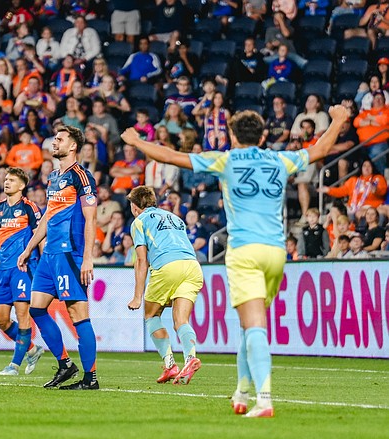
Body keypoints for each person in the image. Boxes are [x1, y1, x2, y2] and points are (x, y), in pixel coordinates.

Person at [121, 104, 350, 417]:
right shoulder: (279, 158)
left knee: (254, 326)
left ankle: (265, 399)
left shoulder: (225, 159)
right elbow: (321, 147)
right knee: (248, 326)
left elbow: (172, 157)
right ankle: (241, 393)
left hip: (245, 251)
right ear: (264, 134)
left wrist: (137, 141)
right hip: (276, 250)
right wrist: (337, 119)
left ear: (231, 134)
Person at [17, 125, 98, 390]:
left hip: (69, 253)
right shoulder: (53, 177)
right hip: (48, 255)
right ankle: (65, 364)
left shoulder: (82, 177)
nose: (54, 143)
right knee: (36, 308)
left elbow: (90, 218)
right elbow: (48, 218)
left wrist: (87, 258)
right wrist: (29, 248)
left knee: (78, 314)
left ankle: (90, 378)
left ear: (73, 146)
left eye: (60, 139)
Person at [126, 185, 204, 385]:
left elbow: (141, 261)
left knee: (151, 315)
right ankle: (190, 358)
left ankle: (170, 365)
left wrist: (137, 296)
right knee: (181, 320)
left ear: (135, 207)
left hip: (167, 266)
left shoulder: (139, 221)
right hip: (193, 266)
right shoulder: (175, 218)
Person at [0, 167, 45, 376]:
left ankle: (14, 365)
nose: (7, 182)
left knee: (22, 313)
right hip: (2, 269)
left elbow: (40, 237)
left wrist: (43, 265)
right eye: (6, 179)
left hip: (23, 267)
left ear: (22, 185)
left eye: (12, 180)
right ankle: (32, 349)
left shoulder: (29, 208)